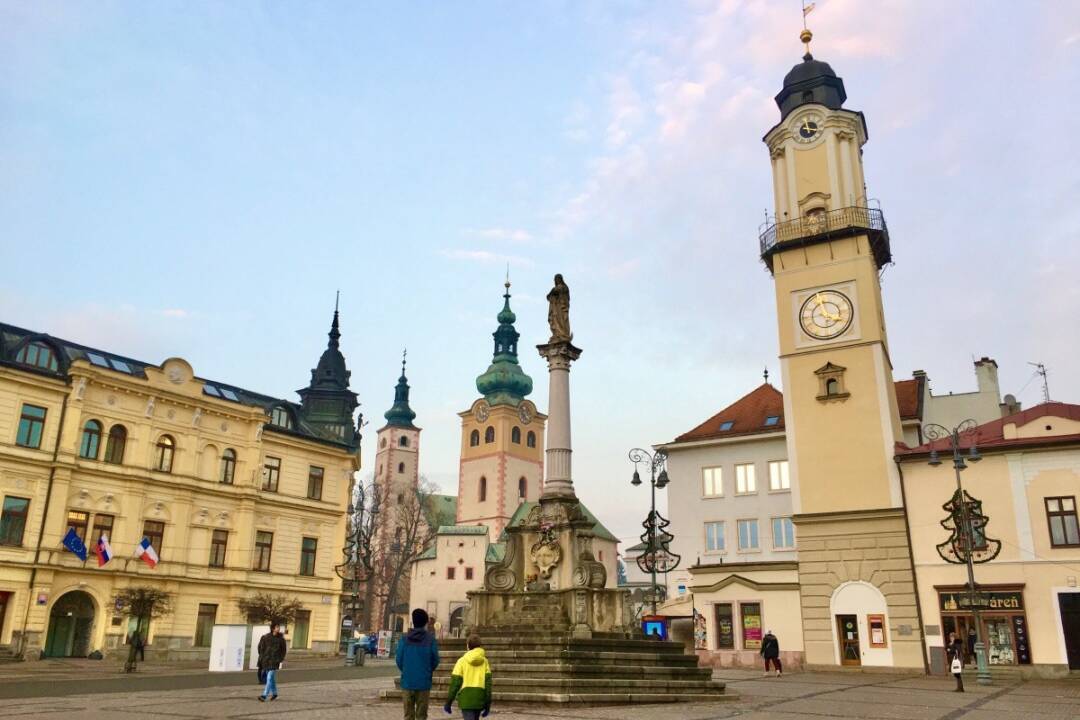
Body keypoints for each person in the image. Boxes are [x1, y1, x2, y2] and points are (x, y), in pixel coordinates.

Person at [397, 608, 440, 720]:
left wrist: (406, 670)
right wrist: (427, 670)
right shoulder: (430, 640)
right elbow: (435, 660)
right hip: (423, 682)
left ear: (413, 621)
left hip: (408, 681)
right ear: (425, 623)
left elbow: (399, 659)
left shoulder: (404, 639)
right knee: (422, 716)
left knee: (408, 715)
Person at [443, 634, 492, 720]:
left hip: (466, 698)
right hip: (479, 698)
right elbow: (488, 684)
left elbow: (455, 683)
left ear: (468, 646)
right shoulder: (485, 662)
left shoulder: (461, 661)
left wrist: (449, 702)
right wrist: (488, 704)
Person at [257, 622, 287, 702]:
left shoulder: (281, 639)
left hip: (274, 661)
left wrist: (280, 659)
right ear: (273, 628)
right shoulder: (265, 637)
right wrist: (262, 656)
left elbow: (283, 650)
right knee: (271, 679)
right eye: (277, 627)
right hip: (266, 660)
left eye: (279, 627)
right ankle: (275, 693)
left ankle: (264, 695)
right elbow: (260, 647)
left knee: (269, 677)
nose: (278, 628)